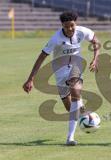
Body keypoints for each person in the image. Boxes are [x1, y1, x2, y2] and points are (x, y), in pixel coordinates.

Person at [23, 11, 99, 146]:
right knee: (70, 108)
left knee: (75, 91)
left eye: (72, 25)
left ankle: (70, 138)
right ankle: (83, 112)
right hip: (60, 72)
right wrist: (30, 79)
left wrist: (95, 59)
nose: (70, 29)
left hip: (76, 65)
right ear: (62, 26)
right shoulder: (55, 39)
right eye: (66, 26)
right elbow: (41, 57)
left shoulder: (82, 32)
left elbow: (96, 42)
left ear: (76, 23)